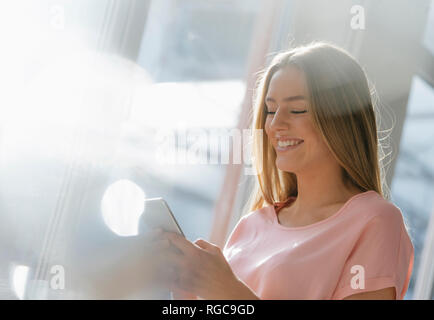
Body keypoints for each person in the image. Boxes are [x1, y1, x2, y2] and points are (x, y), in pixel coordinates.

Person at [153, 42, 414, 300]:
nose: (276, 124)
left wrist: (227, 290)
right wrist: (187, 287)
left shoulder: (375, 221)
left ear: (342, 118)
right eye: (271, 109)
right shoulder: (252, 225)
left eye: (297, 109)